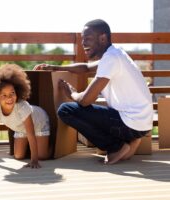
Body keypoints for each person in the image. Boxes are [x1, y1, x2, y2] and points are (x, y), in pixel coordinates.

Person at [34, 19, 153, 164]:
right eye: (82, 39)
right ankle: (130, 141)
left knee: (65, 110)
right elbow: (86, 67)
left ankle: (116, 147)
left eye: (88, 38)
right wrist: (55, 67)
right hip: (142, 124)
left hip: (130, 123)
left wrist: (71, 93)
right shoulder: (116, 53)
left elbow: (85, 100)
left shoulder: (111, 58)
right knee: (96, 112)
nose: (83, 43)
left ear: (103, 38)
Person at [0, 64, 50, 168]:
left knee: (42, 156)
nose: (9, 98)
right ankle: (32, 148)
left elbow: (31, 133)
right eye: (4, 95)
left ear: (17, 92)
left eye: (12, 93)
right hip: (20, 128)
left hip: (39, 122)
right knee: (18, 156)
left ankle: (50, 146)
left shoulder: (22, 107)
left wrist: (34, 160)